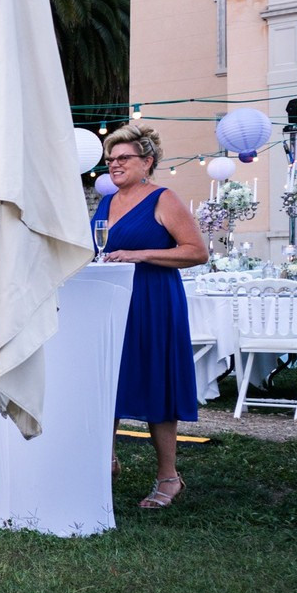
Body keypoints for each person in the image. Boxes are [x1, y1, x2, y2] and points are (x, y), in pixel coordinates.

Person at [99, 123, 206, 508]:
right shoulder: (106, 202)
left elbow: (196, 251)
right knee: (106, 380)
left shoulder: (163, 198)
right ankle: (104, 462)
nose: (114, 164)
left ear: (147, 161)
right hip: (111, 303)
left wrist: (139, 253)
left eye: (123, 157)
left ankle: (168, 477)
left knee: (156, 384)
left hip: (153, 301)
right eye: (110, 159)